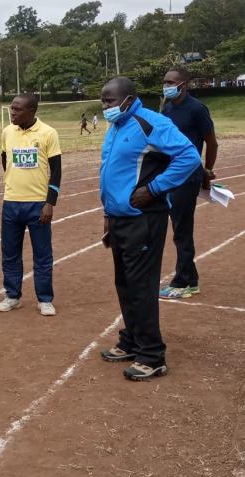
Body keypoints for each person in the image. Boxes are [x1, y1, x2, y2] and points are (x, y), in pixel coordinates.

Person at [97, 77, 200, 381]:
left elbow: (189, 157)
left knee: (141, 286)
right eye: (103, 101)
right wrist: (107, 213)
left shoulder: (150, 123)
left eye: (110, 101)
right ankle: (132, 340)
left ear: (128, 99)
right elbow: (111, 173)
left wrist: (154, 188)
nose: (105, 107)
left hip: (143, 218)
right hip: (119, 218)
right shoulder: (116, 127)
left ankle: (152, 355)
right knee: (125, 284)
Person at [0, 93, 61, 317]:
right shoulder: (7, 132)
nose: (12, 113)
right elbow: (6, 160)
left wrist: (49, 203)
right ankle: (12, 296)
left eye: (17, 109)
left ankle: (45, 299)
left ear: (31, 111)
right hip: (11, 202)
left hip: (38, 205)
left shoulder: (48, 133)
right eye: (12, 109)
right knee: (10, 253)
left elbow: (57, 171)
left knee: (42, 254)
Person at [158, 67, 218, 300]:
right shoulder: (167, 108)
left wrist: (207, 171)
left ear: (184, 84)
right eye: (165, 82)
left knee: (182, 230)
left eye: (171, 82)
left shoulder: (197, 109)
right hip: (169, 175)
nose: (167, 86)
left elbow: (211, 143)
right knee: (178, 228)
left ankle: (183, 282)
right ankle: (190, 279)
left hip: (188, 176)